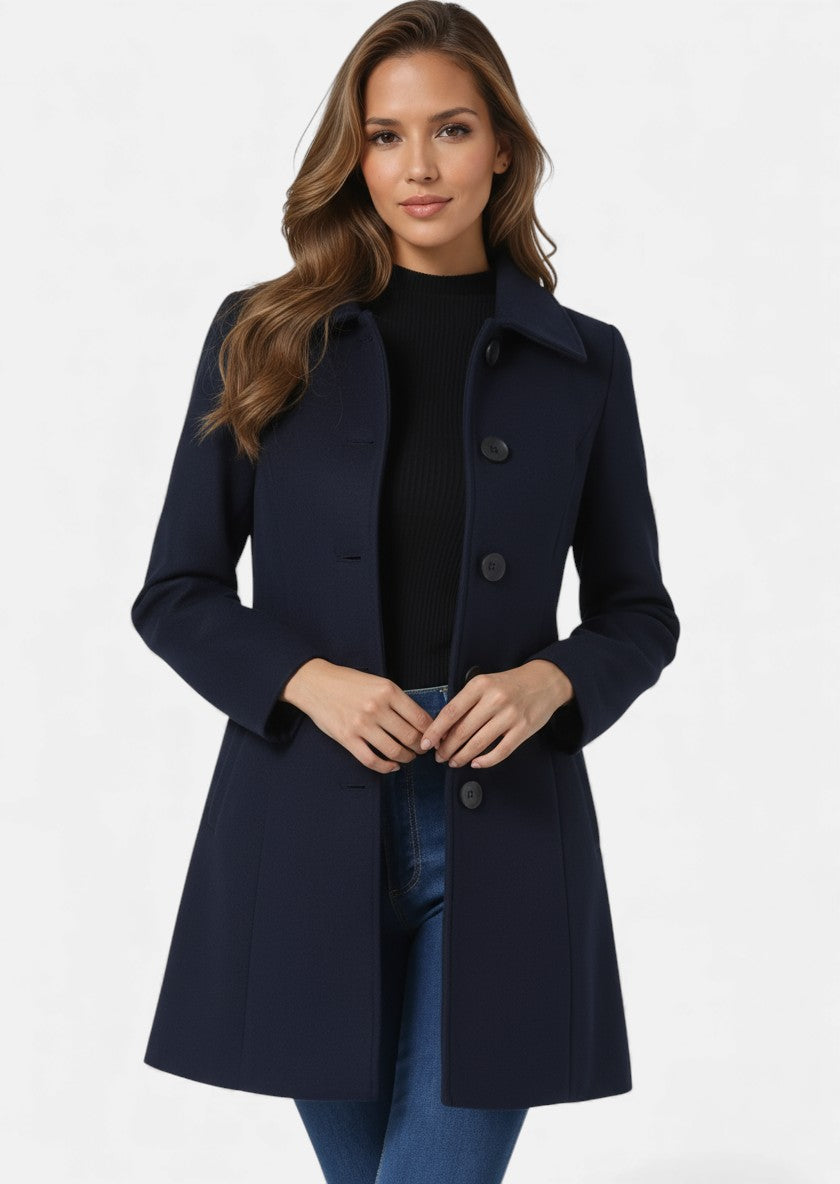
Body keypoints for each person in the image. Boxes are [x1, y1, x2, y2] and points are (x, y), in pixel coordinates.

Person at [130, 4, 680, 1183]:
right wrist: (306, 679)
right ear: (356, 154)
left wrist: (551, 681)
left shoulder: (583, 360)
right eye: (386, 135)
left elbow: (639, 610)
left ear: (503, 148)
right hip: (304, 822)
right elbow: (175, 590)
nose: (418, 166)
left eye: (451, 129)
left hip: (506, 829)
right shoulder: (265, 335)